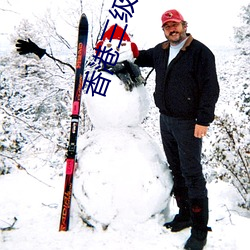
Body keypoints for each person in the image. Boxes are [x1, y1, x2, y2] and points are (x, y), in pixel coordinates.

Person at [135, 9, 219, 250]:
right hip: (166, 120)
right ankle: (185, 214)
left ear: (184, 24)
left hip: (189, 123)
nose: (172, 29)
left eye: (175, 24)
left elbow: (210, 88)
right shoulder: (161, 51)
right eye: (167, 26)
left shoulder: (200, 52)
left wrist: (203, 120)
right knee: (177, 169)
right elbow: (141, 57)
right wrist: (127, 50)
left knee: (192, 173)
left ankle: (200, 231)